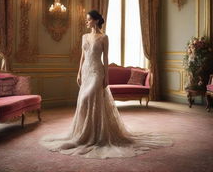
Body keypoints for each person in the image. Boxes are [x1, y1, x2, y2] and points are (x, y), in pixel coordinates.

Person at [40, 10, 172, 159]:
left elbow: (107, 58)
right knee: (83, 102)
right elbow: (82, 56)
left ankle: (97, 134)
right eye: (87, 20)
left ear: (96, 21)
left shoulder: (104, 37)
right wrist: (78, 73)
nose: (86, 22)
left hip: (97, 71)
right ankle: (87, 132)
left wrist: (107, 77)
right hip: (86, 71)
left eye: (89, 19)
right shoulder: (84, 37)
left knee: (88, 98)